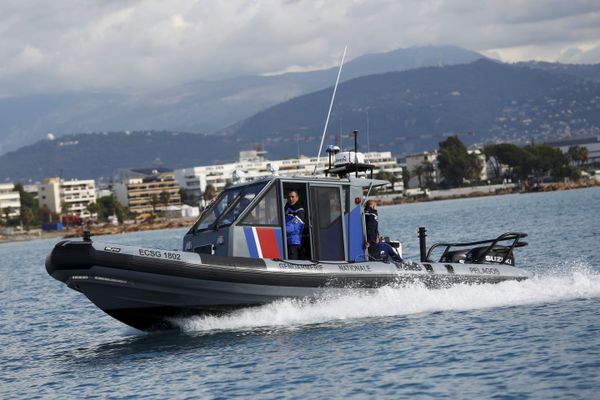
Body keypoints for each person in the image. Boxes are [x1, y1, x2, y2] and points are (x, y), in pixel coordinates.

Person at [285, 190, 305, 259]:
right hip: (285, 240)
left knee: (292, 259)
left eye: (293, 197)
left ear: (297, 198)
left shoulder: (300, 211)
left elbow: (293, 226)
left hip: (294, 241)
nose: (290, 199)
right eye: (289, 197)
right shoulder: (286, 209)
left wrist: (280, 230)